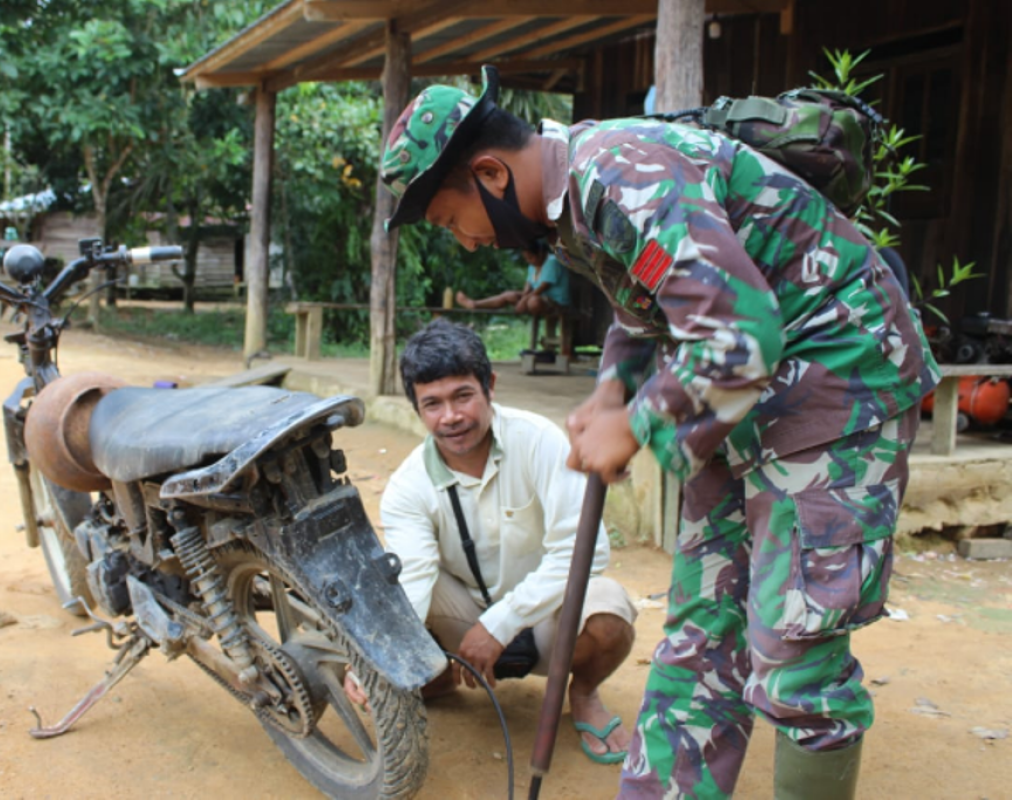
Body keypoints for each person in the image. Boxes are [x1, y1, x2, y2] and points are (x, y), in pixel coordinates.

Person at [378, 66, 939, 799]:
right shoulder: (573, 208)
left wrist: (637, 423)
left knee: (795, 654)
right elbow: (642, 310)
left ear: (488, 172)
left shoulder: (621, 173)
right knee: (703, 635)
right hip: (744, 403)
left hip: (835, 388)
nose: (468, 242)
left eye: (453, 219)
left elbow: (741, 332)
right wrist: (612, 390)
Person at [371, 318, 638, 765]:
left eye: (462, 396)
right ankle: (437, 673)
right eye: (432, 403)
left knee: (610, 610)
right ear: (416, 409)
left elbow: (584, 549)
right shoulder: (406, 487)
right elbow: (413, 583)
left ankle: (585, 691)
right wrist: (380, 661)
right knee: (400, 584)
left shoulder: (540, 441)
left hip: (548, 619)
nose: (450, 417)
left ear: (490, 386)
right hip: (463, 622)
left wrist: (501, 623)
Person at [455, 239, 571, 318]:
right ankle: (475, 304)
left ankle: (524, 307)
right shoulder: (533, 266)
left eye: (530, 257)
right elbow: (528, 287)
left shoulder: (552, 262)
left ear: (540, 253)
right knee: (508, 295)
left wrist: (523, 301)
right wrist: (522, 299)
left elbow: (541, 288)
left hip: (556, 303)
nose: (528, 261)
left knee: (533, 301)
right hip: (536, 298)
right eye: (526, 258)